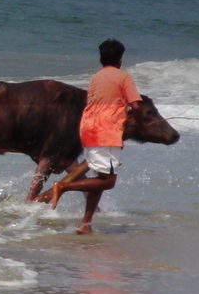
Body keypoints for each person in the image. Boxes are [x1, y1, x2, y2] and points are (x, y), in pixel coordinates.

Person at [48, 39, 141, 234]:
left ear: (101, 58)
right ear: (120, 59)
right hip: (106, 131)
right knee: (108, 181)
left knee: (100, 177)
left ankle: (86, 223)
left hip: (88, 128)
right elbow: (137, 107)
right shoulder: (124, 77)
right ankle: (63, 187)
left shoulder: (96, 77)